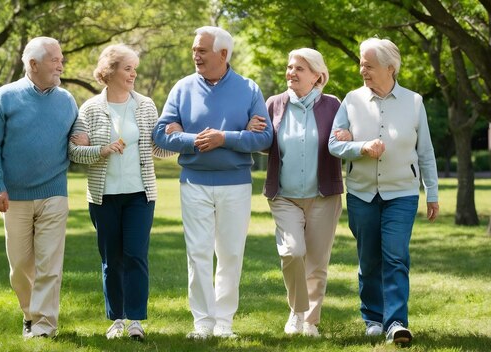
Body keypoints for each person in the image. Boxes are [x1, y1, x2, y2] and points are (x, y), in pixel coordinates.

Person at [152, 26, 273, 339]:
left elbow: (264, 136)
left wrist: (226, 138)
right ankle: (203, 323)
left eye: (202, 50)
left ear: (223, 54)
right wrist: (195, 140)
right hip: (194, 182)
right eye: (194, 49)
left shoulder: (249, 89)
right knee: (199, 253)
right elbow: (160, 134)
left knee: (231, 253)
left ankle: (224, 324)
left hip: (236, 184)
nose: (195, 55)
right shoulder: (181, 88)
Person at [328, 38, 439, 345]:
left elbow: (426, 152)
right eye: (362, 64)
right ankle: (373, 318)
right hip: (362, 193)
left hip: (402, 192)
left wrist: (432, 192)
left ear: (390, 68)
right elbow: (334, 145)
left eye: (369, 65)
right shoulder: (350, 101)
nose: (362, 69)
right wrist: (360, 147)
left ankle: (396, 322)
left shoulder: (414, 102)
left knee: (395, 256)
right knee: (369, 259)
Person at [68, 44, 171, 341]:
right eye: (128, 68)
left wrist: (181, 136)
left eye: (134, 68)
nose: (134, 73)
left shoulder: (146, 105)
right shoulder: (89, 108)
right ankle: (116, 319)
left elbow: (158, 147)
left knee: (136, 255)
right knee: (111, 260)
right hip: (104, 197)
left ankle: (136, 320)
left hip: (141, 195)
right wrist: (101, 150)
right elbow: (76, 152)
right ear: (110, 72)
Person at [0, 36, 77, 339]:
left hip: (54, 192)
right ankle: (29, 314)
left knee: (50, 265)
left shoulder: (67, 100)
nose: (61, 64)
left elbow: (78, 137)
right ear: (33, 64)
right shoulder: (6, 96)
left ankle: (44, 326)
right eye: (54, 59)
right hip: (14, 196)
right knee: (20, 268)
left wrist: (84, 139)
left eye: (60, 59)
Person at [252, 48, 343, 337]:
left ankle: (310, 322)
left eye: (299, 69)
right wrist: (252, 129)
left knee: (317, 262)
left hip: (323, 195)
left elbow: (342, 140)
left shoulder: (333, 105)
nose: (291, 73)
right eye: (290, 67)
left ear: (317, 75)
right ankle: (296, 311)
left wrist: (350, 137)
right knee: (292, 252)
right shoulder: (275, 103)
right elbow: (263, 142)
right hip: (285, 195)